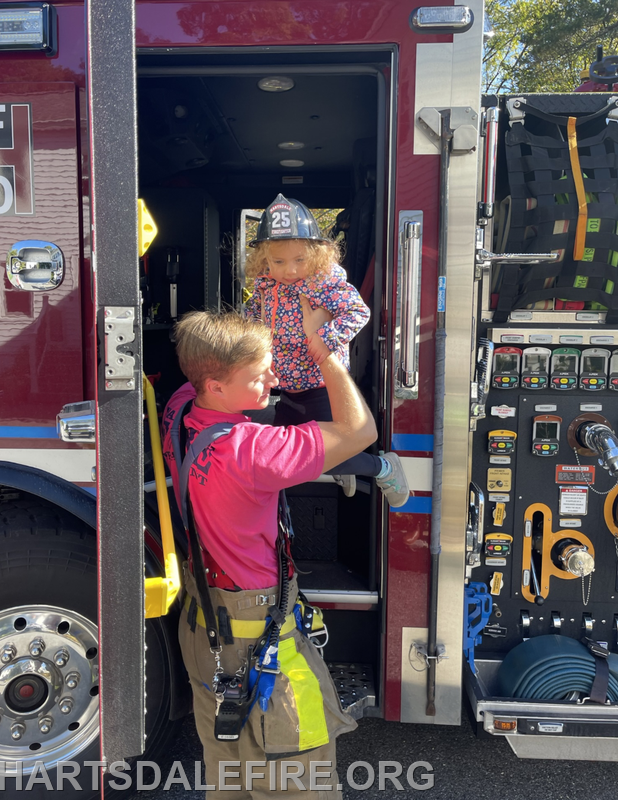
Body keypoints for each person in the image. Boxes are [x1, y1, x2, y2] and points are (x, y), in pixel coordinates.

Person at [161, 305, 377, 798]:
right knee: (295, 780)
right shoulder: (254, 451)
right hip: (260, 641)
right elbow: (360, 431)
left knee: (230, 776)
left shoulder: (180, 410)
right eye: (259, 375)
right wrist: (326, 355)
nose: (274, 380)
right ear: (215, 384)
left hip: (203, 625)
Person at [244, 193, 409, 507]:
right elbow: (254, 315)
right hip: (289, 389)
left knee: (320, 456)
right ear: (265, 258)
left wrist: (325, 337)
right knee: (287, 456)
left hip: (321, 386)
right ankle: (342, 464)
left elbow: (358, 312)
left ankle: (384, 467)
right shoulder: (267, 285)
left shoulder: (322, 282)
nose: (290, 270)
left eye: (299, 260)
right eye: (279, 262)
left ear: (315, 254)